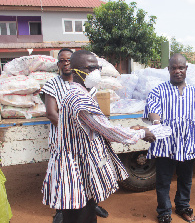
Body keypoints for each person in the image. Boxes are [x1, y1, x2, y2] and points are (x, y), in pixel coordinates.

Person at [42, 50, 155, 223]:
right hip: (75, 169)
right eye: (90, 68)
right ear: (75, 70)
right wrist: (141, 133)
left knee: (86, 211)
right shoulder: (79, 99)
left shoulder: (81, 92)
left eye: (97, 67)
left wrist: (130, 129)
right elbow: (106, 130)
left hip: (81, 165)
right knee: (80, 216)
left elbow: (96, 127)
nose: (95, 72)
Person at [143, 53, 195, 223]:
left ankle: (182, 206)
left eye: (181, 67)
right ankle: (164, 211)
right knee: (163, 182)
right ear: (168, 69)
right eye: (174, 68)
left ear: (186, 69)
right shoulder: (159, 90)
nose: (177, 71)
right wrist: (156, 122)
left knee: (185, 180)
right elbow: (153, 109)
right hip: (164, 145)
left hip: (188, 145)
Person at [42, 48, 109, 222]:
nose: (66, 63)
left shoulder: (87, 85)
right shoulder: (52, 84)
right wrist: (74, 129)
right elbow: (51, 113)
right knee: (67, 180)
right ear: (58, 64)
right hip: (63, 141)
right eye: (62, 61)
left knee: (87, 175)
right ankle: (61, 212)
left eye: (68, 60)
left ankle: (91, 205)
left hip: (85, 143)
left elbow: (91, 113)